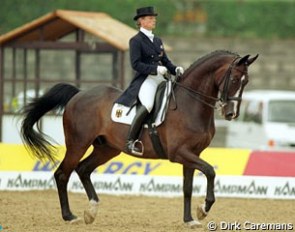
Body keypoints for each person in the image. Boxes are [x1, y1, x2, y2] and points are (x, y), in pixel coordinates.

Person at [116, 6, 184, 155]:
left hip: (162, 78)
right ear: (141, 21)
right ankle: (130, 141)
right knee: (147, 104)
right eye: (150, 18)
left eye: (154, 18)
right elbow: (136, 64)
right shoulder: (136, 41)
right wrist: (155, 69)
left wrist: (176, 69)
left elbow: (166, 61)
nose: (154, 20)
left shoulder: (158, 40)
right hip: (147, 79)